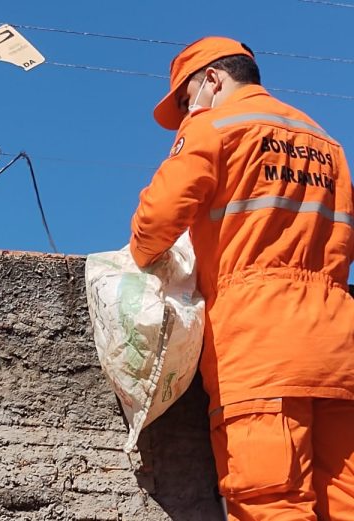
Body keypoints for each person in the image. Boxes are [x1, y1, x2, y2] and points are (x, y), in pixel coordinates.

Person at [129, 36, 354, 520]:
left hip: (258, 342)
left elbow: (154, 225)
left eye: (187, 99)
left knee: (269, 501)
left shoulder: (214, 126)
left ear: (213, 79)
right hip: (339, 348)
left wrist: (140, 253)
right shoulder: (327, 144)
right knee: (345, 503)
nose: (189, 110)